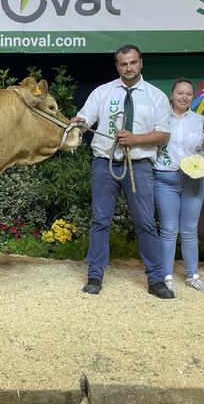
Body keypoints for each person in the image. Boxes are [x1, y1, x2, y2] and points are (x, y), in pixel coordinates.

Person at [72, 44, 173, 298]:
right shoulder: (102, 92)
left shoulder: (156, 96)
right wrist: (77, 124)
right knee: (100, 220)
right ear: (117, 66)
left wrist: (135, 139)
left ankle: (156, 279)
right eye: (123, 64)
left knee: (146, 222)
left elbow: (163, 135)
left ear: (141, 63)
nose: (128, 68)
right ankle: (95, 275)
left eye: (133, 63)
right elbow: (86, 120)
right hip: (104, 163)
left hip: (138, 165)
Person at [154, 78, 204, 294]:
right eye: (180, 93)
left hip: (193, 181)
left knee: (189, 230)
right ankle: (166, 275)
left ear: (193, 96)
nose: (184, 97)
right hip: (165, 179)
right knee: (168, 229)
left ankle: (193, 275)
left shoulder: (200, 120)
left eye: (189, 94)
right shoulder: (160, 120)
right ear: (172, 94)